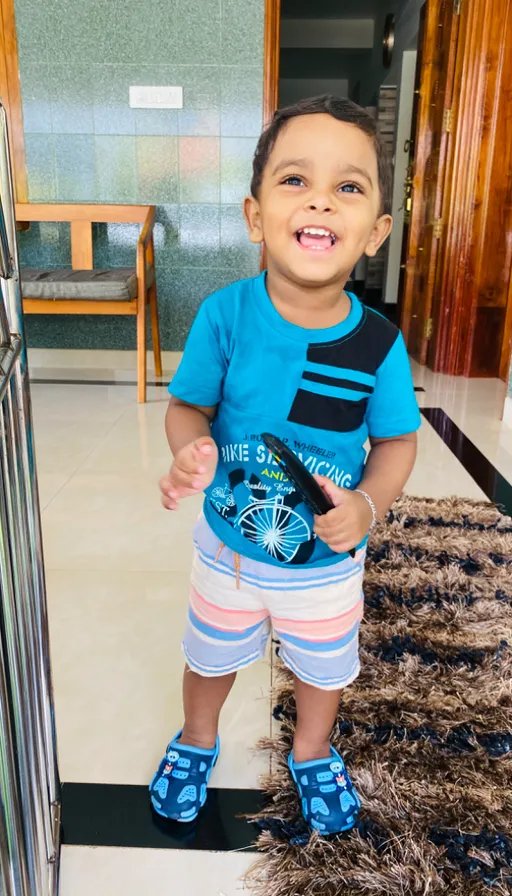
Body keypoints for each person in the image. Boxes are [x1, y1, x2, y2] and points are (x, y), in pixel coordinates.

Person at [150, 95, 420, 834]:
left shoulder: (378, 344)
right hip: (230, 550)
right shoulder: (225, 316)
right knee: (210, 655)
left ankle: (311, 750)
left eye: (350, 187)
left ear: (376, 234)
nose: (322, 201)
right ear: (254, 215)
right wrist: (187, 450)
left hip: (326, 560)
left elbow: (398, 442)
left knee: (322, 667)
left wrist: (368, 505)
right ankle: (197, 739)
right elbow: (187, 406)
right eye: (295, 180)